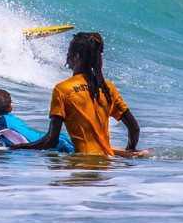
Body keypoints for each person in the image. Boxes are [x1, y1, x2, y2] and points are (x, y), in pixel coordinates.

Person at [11, 32, 148, 158]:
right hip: (106, 167)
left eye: (69, 52)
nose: (67, 56)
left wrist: (17, 147)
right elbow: (134, 127)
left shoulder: (62, 89)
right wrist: (130, 150)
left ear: (76, 56)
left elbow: (51, 141)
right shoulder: (107, 88)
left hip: (82, 164)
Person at [0, 89, 74, 152]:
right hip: (59, 139)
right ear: (11, 108)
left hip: (51, 144)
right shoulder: (12, 119)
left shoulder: (2, 123)